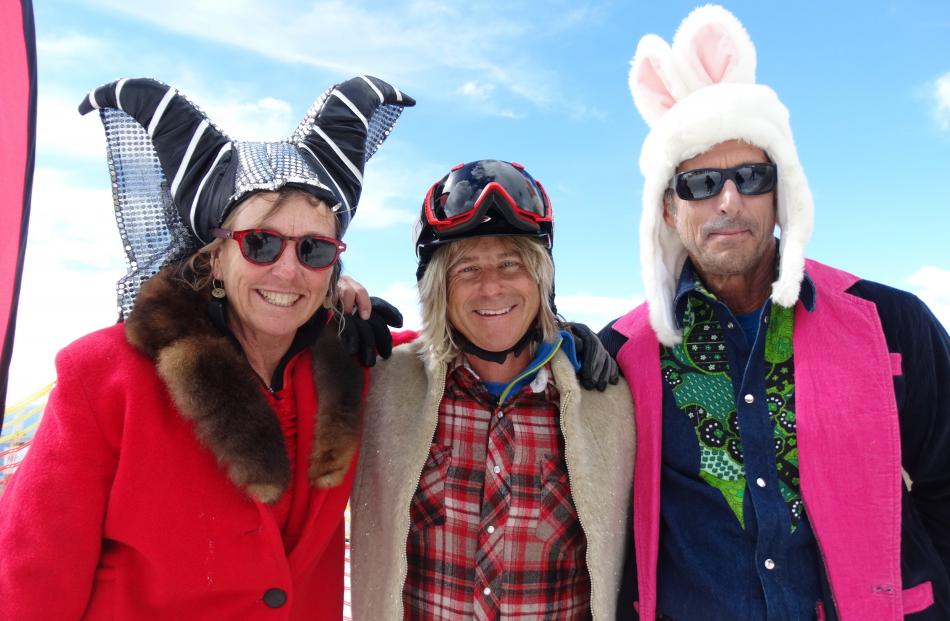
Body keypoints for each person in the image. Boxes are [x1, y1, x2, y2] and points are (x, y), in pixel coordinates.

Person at [0, 75, 412, 619]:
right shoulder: (104, 377)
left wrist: (550, 339)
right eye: (260, 244)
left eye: (314, 250)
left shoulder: (353, 365)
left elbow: (451, 358)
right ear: (215, 257)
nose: (288, 270)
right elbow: (31, 579)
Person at [601, 6, 950, 620]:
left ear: (782, 189)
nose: (728, 200)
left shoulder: (891, 324)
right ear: (666, 210)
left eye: (750, 176)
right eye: (700, 183)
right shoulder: (619, 355)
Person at [350, 159, 636, 620]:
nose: (491, 287)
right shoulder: (382, 387)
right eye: (466, 270)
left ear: (542, 280)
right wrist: (325, 301)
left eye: (511, 263)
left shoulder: (606, 402)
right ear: (437, 287)